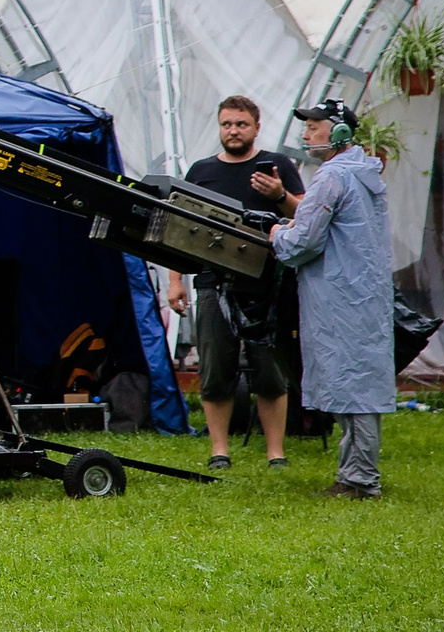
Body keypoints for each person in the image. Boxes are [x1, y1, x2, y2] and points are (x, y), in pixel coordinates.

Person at [161, 96, 305, 468]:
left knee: (270, 372)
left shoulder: (277, 166)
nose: (233, 131)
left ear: (256, 127)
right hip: (212, 283)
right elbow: (177, 229)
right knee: (215, 371)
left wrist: (280, 196)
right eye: (227, 124)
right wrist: (175, 281)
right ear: (219, 127)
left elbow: (307, 216)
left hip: (266, 286)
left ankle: (276, 453)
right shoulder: (202, 171)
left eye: (241, 124)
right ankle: (219, 451)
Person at [270, 101, 395, 499]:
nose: (306, 134)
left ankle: (359, 480)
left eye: (314, 126)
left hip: (340, 298)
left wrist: (277, 234)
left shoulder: (331, 178)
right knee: (358, 383)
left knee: (353, 386)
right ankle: (355, 473)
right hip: (362, 295)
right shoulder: (364, 172)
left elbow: (304, 242)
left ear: (338, 132)